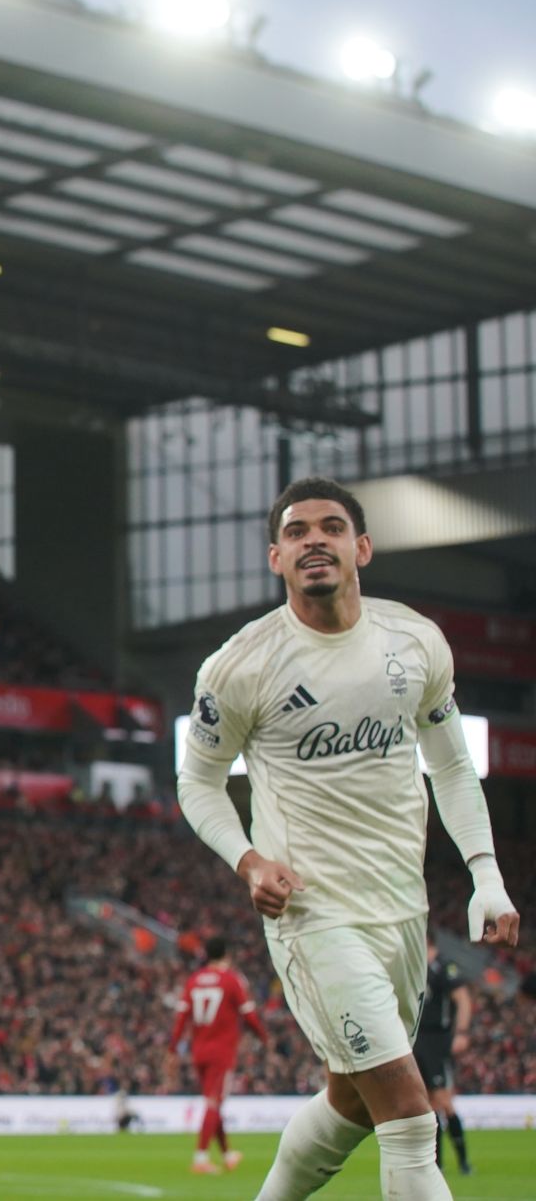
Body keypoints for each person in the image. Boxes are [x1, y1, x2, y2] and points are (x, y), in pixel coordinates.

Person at [177, 476, 518, 1201]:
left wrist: (486, 874)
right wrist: (248, 860)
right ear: (276, 557)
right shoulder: (241, 666)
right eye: (296, 531)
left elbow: (452, 765)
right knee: (408, 1113)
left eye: (330, 527)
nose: (314, 541)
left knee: (353, 1102)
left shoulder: (414, 642)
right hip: (314, 914)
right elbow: (197, 782)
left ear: (361, 547)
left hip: (401, 911)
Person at [170, 934, 269, 1174]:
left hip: (199, 1051)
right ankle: (201, 1158)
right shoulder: (231, 979)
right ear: (227, 954)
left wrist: (173, 1048)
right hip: (221, 1051)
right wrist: (263, 1037)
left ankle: (227, 1155)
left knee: (213, 1104)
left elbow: (182, 1017)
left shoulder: (194, 980)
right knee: (214, 1103)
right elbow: (248, 1015)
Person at [414, 936, 473, 1175]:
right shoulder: (414, 966)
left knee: (443, 1101)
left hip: (437, 1041)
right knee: (428, 1104)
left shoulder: (444, 966)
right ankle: (436, 1164)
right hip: (415, 1040)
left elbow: (463, 999)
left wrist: (462, 1032)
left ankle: (463, 1162)